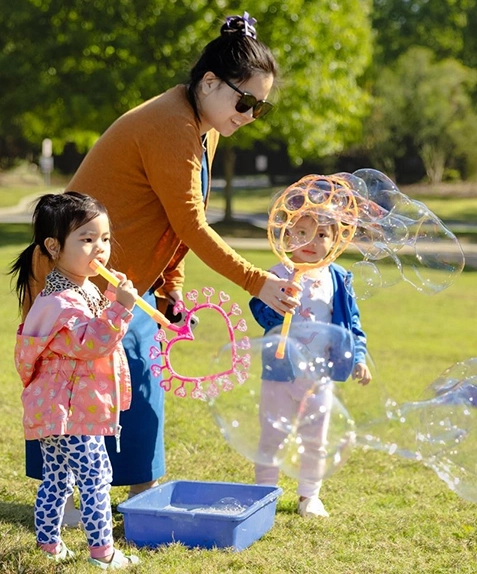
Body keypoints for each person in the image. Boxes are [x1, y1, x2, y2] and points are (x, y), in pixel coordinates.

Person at [21, 11, 301, 514]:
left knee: (141, 382)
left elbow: (172, 219)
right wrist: (257, 281)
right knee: (82, 385)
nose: (250, 114)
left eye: (261, 107)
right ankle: (66, 500)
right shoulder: (173, 124)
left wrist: (172, 286)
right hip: (75, 279)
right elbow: (193, 223)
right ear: (210, 82)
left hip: (124, 281)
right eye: (245, 100)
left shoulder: (204, 125)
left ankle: (141, 494)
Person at [11, 192, 140, 567]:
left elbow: (95, 329)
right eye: (86, 239)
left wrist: (113, 299)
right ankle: (103, 553)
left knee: (58, 478)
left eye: (105, 238)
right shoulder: (60, 302)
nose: (99, 249)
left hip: (59, 409)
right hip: (71, 412)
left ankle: (48, 546)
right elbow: (91, 343)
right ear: (53, 246)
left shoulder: (78, 289)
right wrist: (122, 308)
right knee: (96, 476)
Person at [249, 215, 372, 518]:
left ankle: (309, 496)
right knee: (272, 436)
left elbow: (351, 323)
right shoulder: (277, 274)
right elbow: (260, 313)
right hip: (280, 373)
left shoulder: (338, 278)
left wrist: (357, 357)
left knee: (316, 439)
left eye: (321, 235)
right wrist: (278, 302)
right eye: (302, 233)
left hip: (320, 376)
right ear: (288, 236)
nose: (311, 242)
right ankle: (265, 495)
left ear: (334, 241)